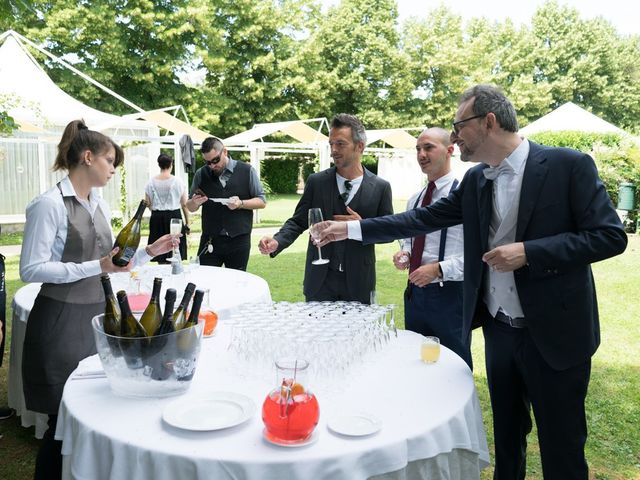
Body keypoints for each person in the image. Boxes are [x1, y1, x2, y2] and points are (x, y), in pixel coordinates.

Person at [315, 85, 627, 479]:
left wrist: (529, 251)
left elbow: (609, 236)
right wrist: (351, 232)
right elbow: (421, 219)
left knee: (561, 449)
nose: (455, 136)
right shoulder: (477, 179)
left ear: (489, 122)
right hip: (499, 332)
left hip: (556, 335)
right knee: (507, 440)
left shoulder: (568, 165)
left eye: (459, 125)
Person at [19, 120, 176, 480]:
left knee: (96, 413)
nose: (113, 169)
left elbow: (111, 263)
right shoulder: (49, 205)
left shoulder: (98, 204)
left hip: (99, 319)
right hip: (60, 323)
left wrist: (149, 251)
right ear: (87, 157)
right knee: (62, 423)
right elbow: (30, 269)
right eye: (110, 161)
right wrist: (95, 265)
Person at [258, 114, 393, 303]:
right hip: (319, 281)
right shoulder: (317, 182)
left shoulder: (380, 187)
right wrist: (277, 241)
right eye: (331, 144)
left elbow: (389, 232)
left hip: (359, 282)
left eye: (340, 144)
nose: (334, 150)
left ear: (360, 146)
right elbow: (298, 221)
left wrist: (362, 226)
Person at [393, 127, 468, 366]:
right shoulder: (415, 199)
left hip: (450, 296)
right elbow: (408, 238)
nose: (421, 155)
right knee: (417, 358)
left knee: (453, 362)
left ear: (449, 151)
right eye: (417, 149)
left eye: (428, 148)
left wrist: (438, 269)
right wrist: (405, 252)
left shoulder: (465, 198)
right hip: (415, 294)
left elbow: (479, 254)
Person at [187, 136, 266, 271]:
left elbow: (261, 201)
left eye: (215, 160)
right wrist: (194, 203)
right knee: (205, 282)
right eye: (208, 162)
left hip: (239, 240)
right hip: (210, 239)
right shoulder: (201, 174)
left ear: (225, 152)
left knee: (236, 284)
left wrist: (241, 203)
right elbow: (190, 206)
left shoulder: (247, 171)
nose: (212, 165)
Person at [144, 153, 190, 263]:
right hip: (174, 217)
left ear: (159, 165)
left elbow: (147, 203)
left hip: (157, 217)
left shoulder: (150, 182)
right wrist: (187, 223)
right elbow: (184, 204)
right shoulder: (178, 181)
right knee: (175, 249)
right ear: (171, 164)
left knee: (159, 251)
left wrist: (154, 209)